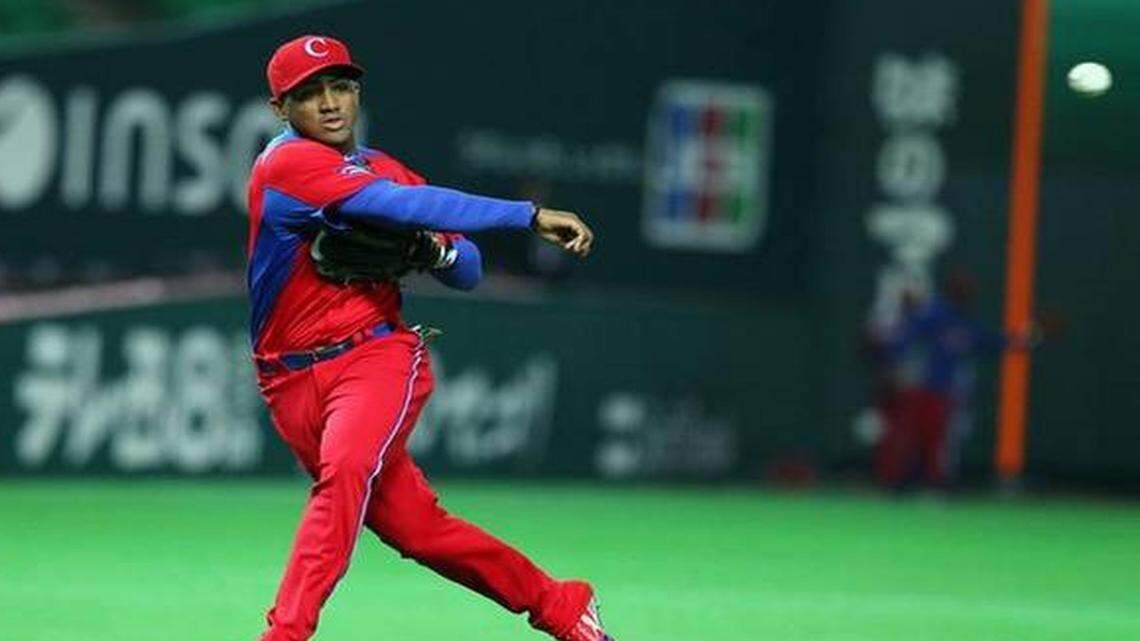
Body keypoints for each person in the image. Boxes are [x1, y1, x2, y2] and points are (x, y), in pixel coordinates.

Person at [245, 35, 612, 641]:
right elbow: (394, 203)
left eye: (341, 87)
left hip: (376, 354)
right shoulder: (285, 165)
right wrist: (520, 214)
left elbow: (466, 269)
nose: (331, 104)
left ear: (357, 91)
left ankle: (285, 634)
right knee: (417, 529)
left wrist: (434, 246)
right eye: (309, 95)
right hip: (287, 381)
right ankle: (562, 605)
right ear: (280, 110)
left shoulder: (386, 168)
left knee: (345, 472)